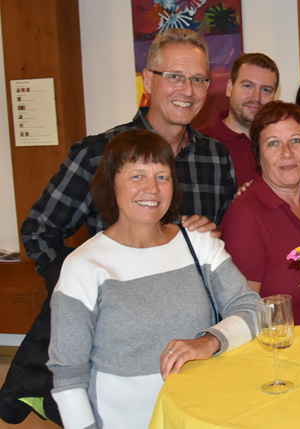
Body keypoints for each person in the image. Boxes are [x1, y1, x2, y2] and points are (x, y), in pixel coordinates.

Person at [0, 28, 237, 425]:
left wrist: (204, 234)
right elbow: (39, 230)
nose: (188, 90)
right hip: (116, 364)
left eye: (198, 79)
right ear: (148, 81)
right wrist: (82, 294)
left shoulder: (215, 156)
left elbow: (221, 236)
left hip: (195, 353)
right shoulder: (98, 154)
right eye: (175, 76)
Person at [48, 129, 258, 429]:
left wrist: (210, 340)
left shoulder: (198, 242)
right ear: (111, 183)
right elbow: (68, 377)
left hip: (200, 416)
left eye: (162, 177)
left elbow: (251, 308)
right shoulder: (84, 266)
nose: (152, 189)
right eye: (137, 176)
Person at [220, 101, 300, 324]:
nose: (286, 153)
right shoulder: (245, 217)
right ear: (258, 155)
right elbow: (242, 313)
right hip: (278, 344)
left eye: (296, 141)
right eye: (273, 143)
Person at [199, 52, 279, 186]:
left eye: (266, 90)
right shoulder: (199, 143)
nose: (256, 97)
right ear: (230, 88)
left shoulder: (281, 145)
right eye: (248, 86)